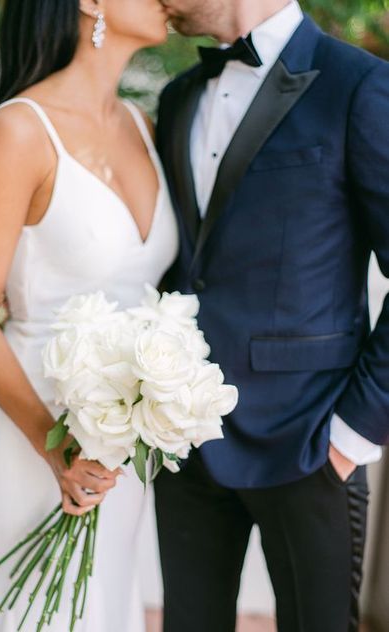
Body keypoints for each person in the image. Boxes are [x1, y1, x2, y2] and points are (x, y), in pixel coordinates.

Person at [0, 1, 177, 630]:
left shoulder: (142, 125)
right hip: (33, 428)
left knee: (103, 601)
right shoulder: (19, 132)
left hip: (125, 439)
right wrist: (59, 448)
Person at [155, 1, 389, 630]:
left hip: (310, 441)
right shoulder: (178, 97)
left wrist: (351, 437)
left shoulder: (358, 86)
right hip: (186, 444)